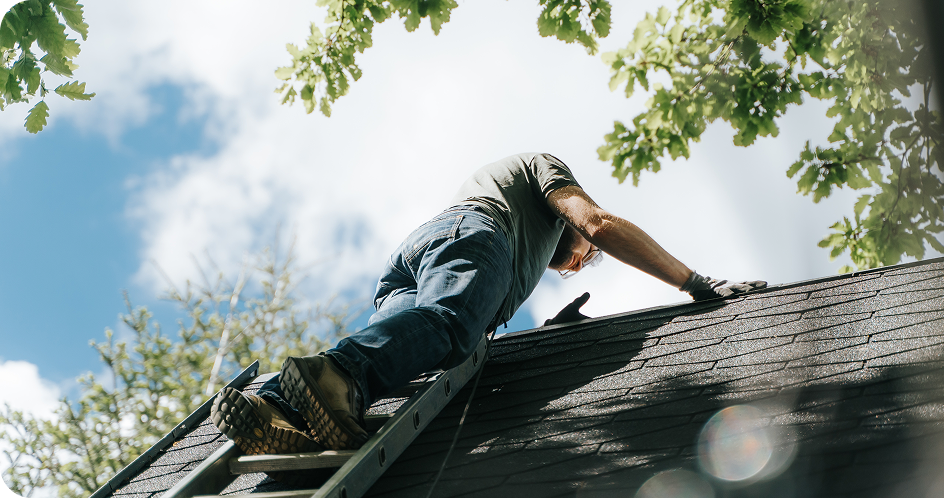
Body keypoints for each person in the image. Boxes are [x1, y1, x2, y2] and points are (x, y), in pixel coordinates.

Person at [209, 152, 765, 454]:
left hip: (419, 252)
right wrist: (695, 282)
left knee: (401, 345)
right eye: (579, 259)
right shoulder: (545, 174)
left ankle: (274, 406)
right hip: (474, 236)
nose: (573, 265)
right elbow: (597, 221)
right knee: (450, 326)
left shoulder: (510, 219)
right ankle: (339, 376)